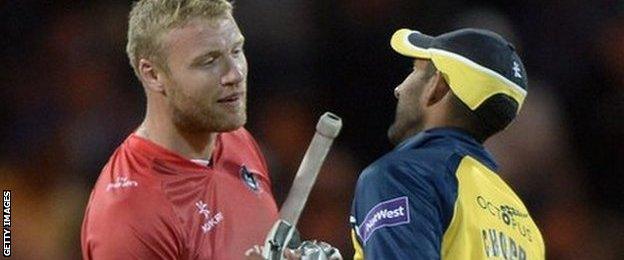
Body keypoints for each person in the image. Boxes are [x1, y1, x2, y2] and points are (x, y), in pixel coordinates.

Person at [81, 0, 280, 258]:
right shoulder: (128, 214)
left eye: (236, 50)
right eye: (208, 61)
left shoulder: (236, 140)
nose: (235, 74)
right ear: (153, 75)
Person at [349, 28, 546, 259]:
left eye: (415, 70)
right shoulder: (523, 223)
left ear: (437, 86)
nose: (399, 89)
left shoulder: (404, 176)